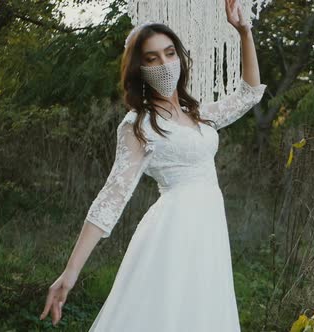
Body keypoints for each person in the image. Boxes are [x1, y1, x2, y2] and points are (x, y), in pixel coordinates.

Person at [39, 0, 266, 330]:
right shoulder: (138, 125)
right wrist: (70, 272)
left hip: (209, 234)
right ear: (139, 69)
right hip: (172, 233)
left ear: (179, 57)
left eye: (170, 53)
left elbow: (250, 94)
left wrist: (244, 31)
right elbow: (110, 200)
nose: (164, 63)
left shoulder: (198, 114)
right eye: (152, 58)